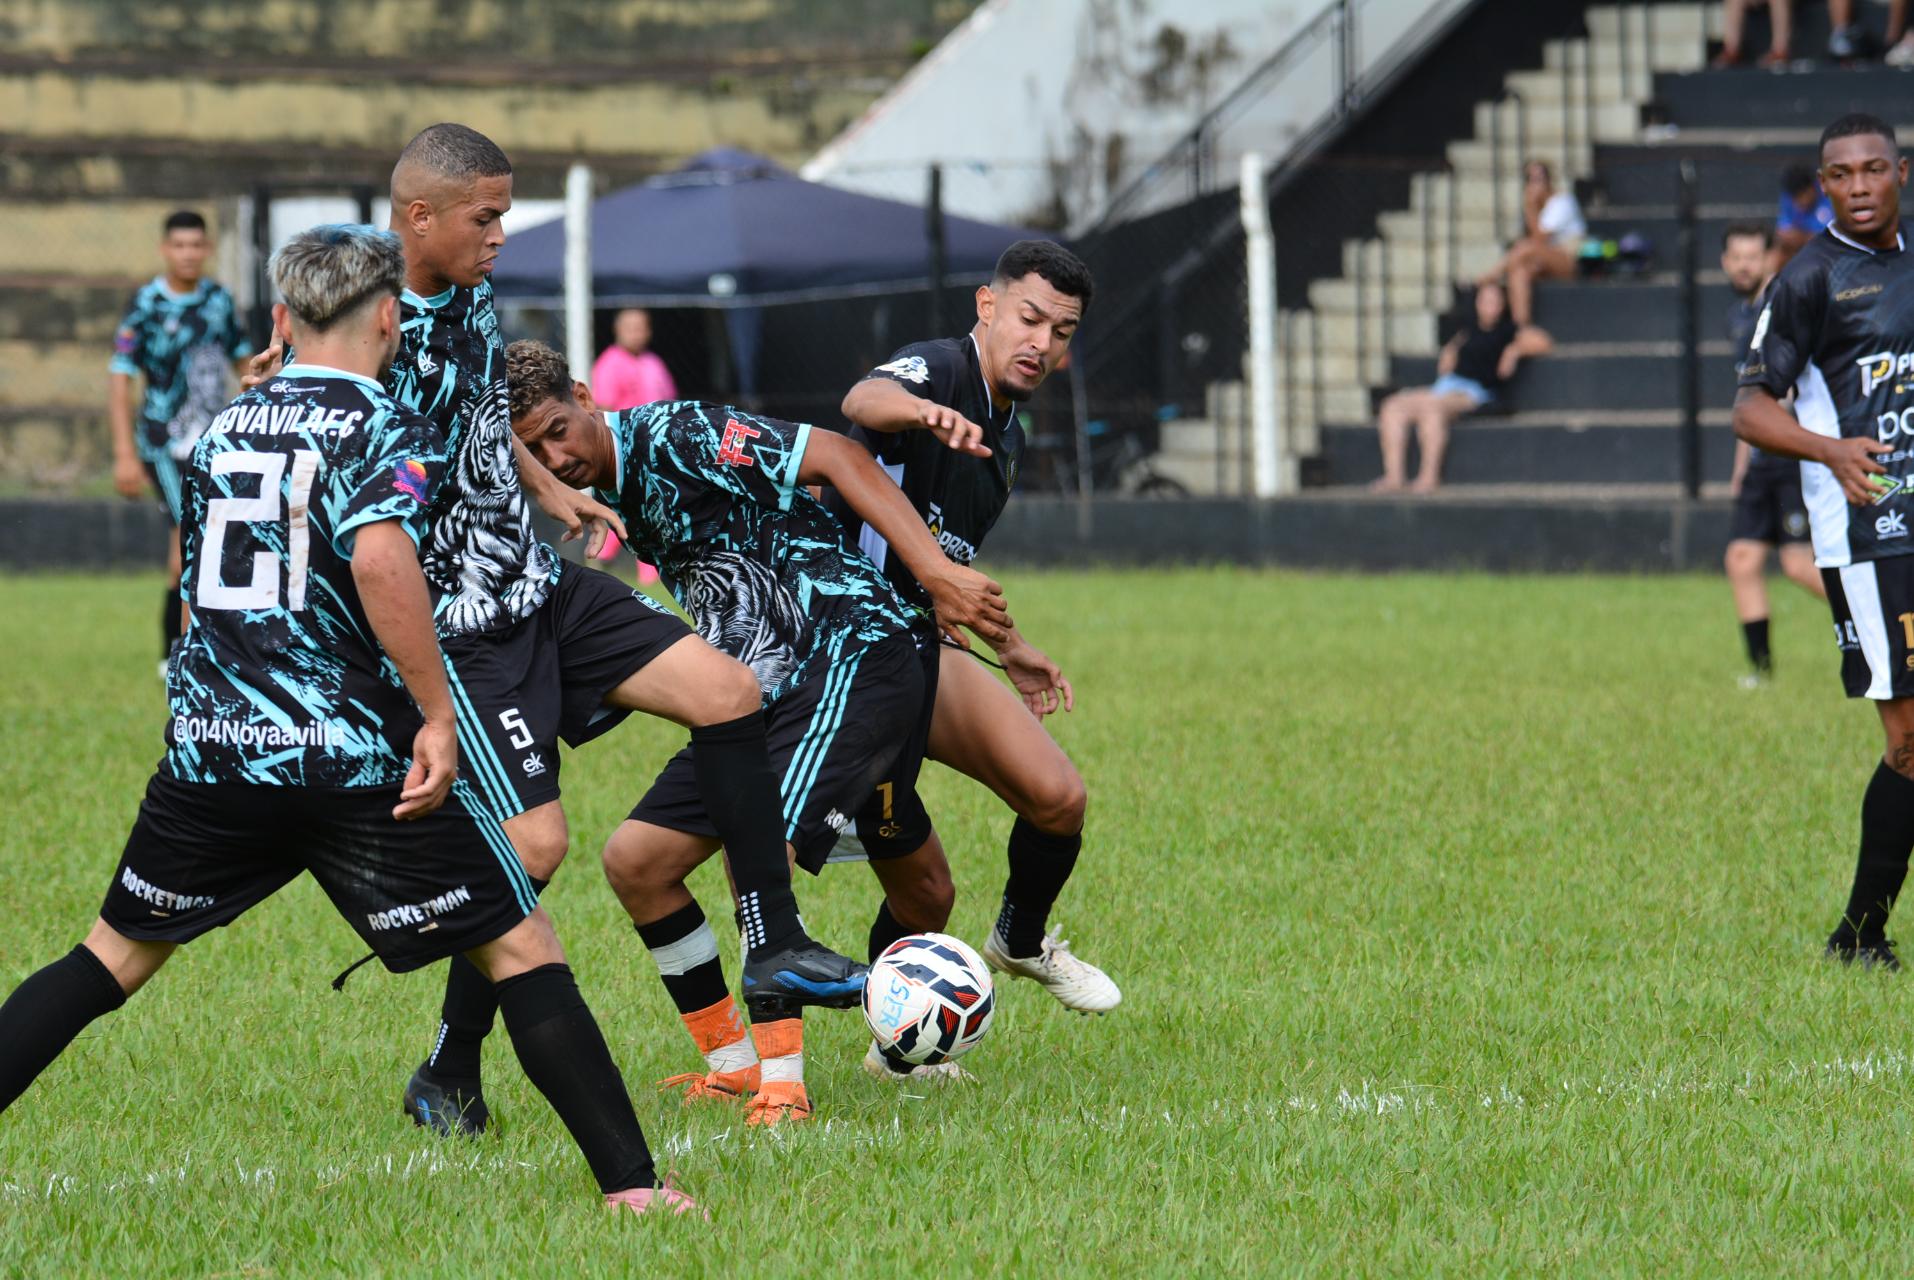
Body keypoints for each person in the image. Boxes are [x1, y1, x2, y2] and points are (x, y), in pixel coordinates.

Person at [0, 225, 695, 1217]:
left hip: (211, 753)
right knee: (523, 945)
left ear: (281, 320)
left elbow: (206, 585)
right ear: (386, 318)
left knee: (108, 956)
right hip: (347, 758)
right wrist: (438, 713)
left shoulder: (224, 426)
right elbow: (379, 563)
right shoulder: (385, 426)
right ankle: (633, 1190)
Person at [248, 123, 866, 1138]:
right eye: (485, 216)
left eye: (505, 211)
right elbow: (323, 428)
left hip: (546, 586)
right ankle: (450, 1062)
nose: (502, 232)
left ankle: (777, 939)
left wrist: (544, 486)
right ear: (419, 219)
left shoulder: (474, 289)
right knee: (535, 845)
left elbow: (478, 418)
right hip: (464, 632)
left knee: (730, 694)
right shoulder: (369, 318)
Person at [503, 338, 1011, 1124]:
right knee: (636, 862)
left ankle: (785, 1083)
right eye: (530, 451)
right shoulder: (605, 489)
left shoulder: (674, 434)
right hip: (758, 692)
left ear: (584, 394)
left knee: (761, 844)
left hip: (851, 654)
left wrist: (938, 576)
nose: (552, 456)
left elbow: (842, 455)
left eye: (555, 430)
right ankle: (733, 1065)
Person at [826, 240, 1122, 1084]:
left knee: (1058, 799)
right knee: (921, 894)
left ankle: (1019, 942)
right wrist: (923, 413)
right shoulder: (940, 371)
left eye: (1062, 331)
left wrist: (1010, 647)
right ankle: (833, 1049)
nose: (1042, 342)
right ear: (987, 307)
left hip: (921, 646)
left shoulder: (1008, 435)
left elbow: (943, 570)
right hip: (843, 654)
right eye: (1029, 318)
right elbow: (864, 398)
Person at [1732, 113, 1914, 970]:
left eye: (1874, 170)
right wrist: (1832, 448)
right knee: (1910, 740)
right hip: (1870, 536)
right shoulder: (1807, 279)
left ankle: (1860, 936)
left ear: (1900, 173)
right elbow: (1750, 408)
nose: (1860, 187)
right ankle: (1860, 933)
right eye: (1842, 175)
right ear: (1824, 185)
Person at [109, 210, 252, 677]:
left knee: (209, 543)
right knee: (188, 544)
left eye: (196, 245)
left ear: (207, 249)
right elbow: (120, 378)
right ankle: (175, 655)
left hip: (215, 442)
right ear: (165, 250)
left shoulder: (219, 301)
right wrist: (125, 455)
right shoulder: (146, 305)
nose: (188, 254)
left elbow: (244, 362)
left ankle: (199, 649)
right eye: (180, 246)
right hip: (163, 445)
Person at [1721, 221, 1825, 685]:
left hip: (1791, 454)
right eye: (1736, 256)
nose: (1744, 264)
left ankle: (1886, 621)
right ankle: (1761, 674)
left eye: (1752, 256)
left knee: (1799, 565)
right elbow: (1748, 399)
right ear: (1725, 262)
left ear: (1770, 259)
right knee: (1741, 558)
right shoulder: (1738, 316)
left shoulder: (1783, 309)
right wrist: (1741, 465)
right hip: (1760, 459)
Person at [1369, 282, 1551, 493]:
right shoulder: (1467, 330)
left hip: (1475, 392)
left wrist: (1514, 350)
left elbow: (1543, 342)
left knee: (1431, 408)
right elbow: (1450, 356)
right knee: (1393, 405)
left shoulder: (1507, 330)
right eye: (1484, 301)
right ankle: (1394, 476)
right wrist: (1450, 352)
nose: (1489, 306)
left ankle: (1429, 477)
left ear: (1503, 304)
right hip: (1447, 386)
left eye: (1494, 301)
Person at [1485, 161, 1585, 328]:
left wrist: (1530, 206)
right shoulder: (1539, 208)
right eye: (1530, 179)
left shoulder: (1562, 202)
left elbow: (1539, 239)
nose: (1535, 184)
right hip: (1546, 263)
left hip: (1571, 261)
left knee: (1525, 247)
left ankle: (1491, 278)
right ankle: (1521, 326)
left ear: (1549, 180)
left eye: (1539, 178)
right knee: (1519, 272)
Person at [590, 308, 677, 410]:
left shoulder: (654, 361)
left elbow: (671, 399)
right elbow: (605, 408)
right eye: (629, 328)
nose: (635, 335)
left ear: (649, 331)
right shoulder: (608, 364)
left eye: (640, 329)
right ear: (617, 329)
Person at [1773, 164, 1837, 277]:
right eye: (1794, 198)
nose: (1798, 203)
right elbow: (1783, 233)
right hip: (1801, 251)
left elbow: (1832, 239)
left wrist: (1802, 237)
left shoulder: (1830, 195)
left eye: (1802, 196)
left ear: (1812, 188)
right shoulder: (1788, 196)